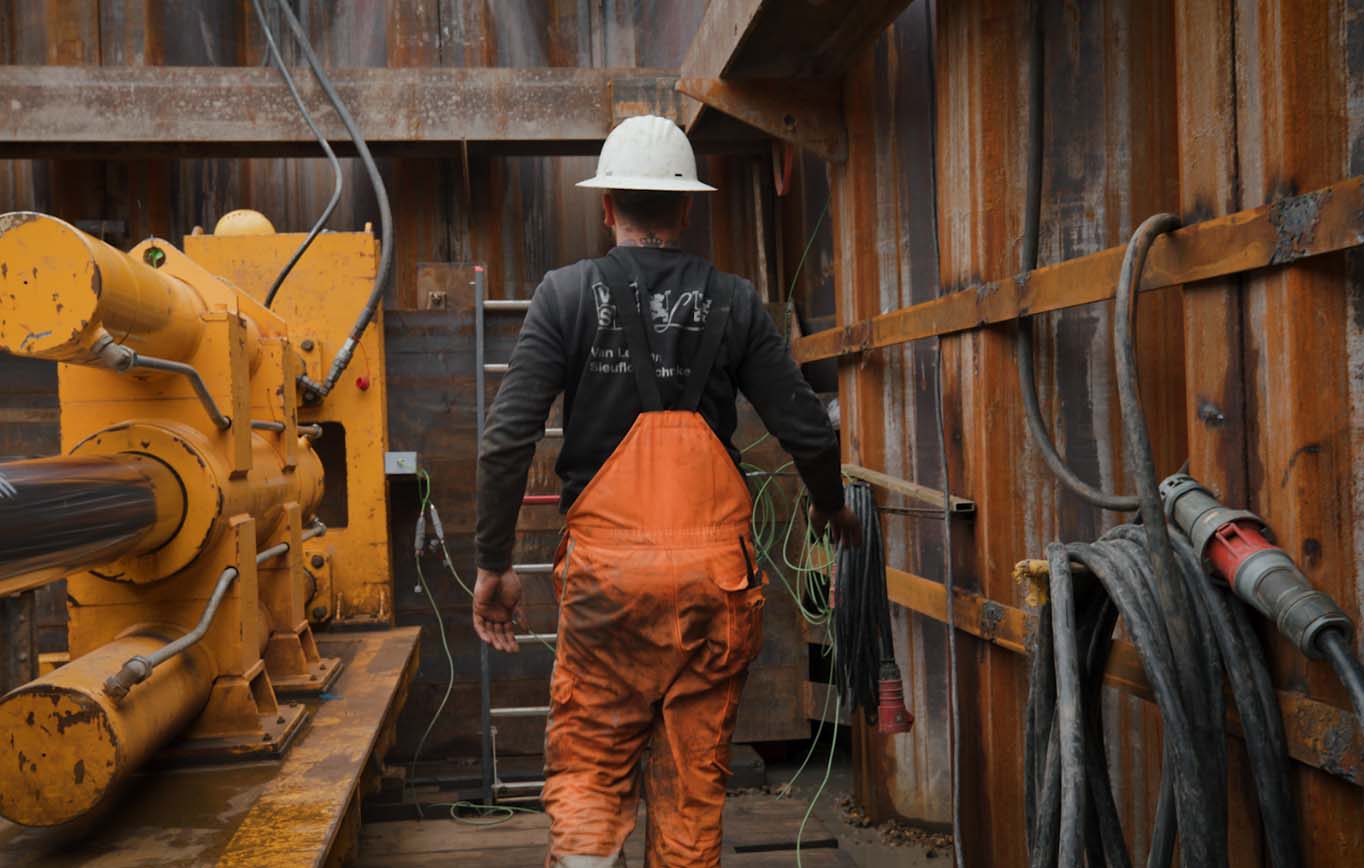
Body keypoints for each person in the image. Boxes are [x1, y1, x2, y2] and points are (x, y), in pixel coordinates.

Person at [474, 114, 858, 867]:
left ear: (607, 206)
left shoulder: (565, 295)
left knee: (590, 764)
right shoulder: (736, 302)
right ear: (687, 209)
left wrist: (493, 566)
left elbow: (506, 441)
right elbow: (809, 431)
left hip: (606, 584)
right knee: (691, 783)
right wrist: (831, 507)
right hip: (715, 585)